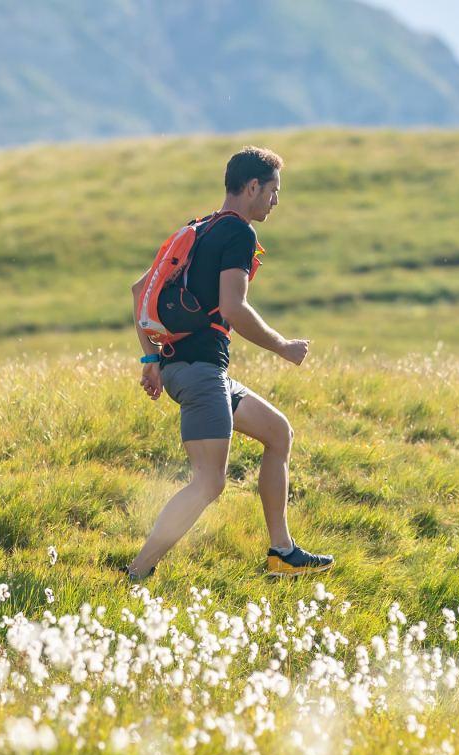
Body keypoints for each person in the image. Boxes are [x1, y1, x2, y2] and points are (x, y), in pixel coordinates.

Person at [127, 146, 334, 580]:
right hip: (201, 372)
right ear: (253, 186)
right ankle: (138, 571)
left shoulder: (199, 227)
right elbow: (234, 308)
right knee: (209, 483)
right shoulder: (237, 233)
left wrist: (151, 357)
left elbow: (139, 289)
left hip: (192, 369)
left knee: (277, 432)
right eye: (274, 191)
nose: (276, 201)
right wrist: (283, 346)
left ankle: (282, 551)